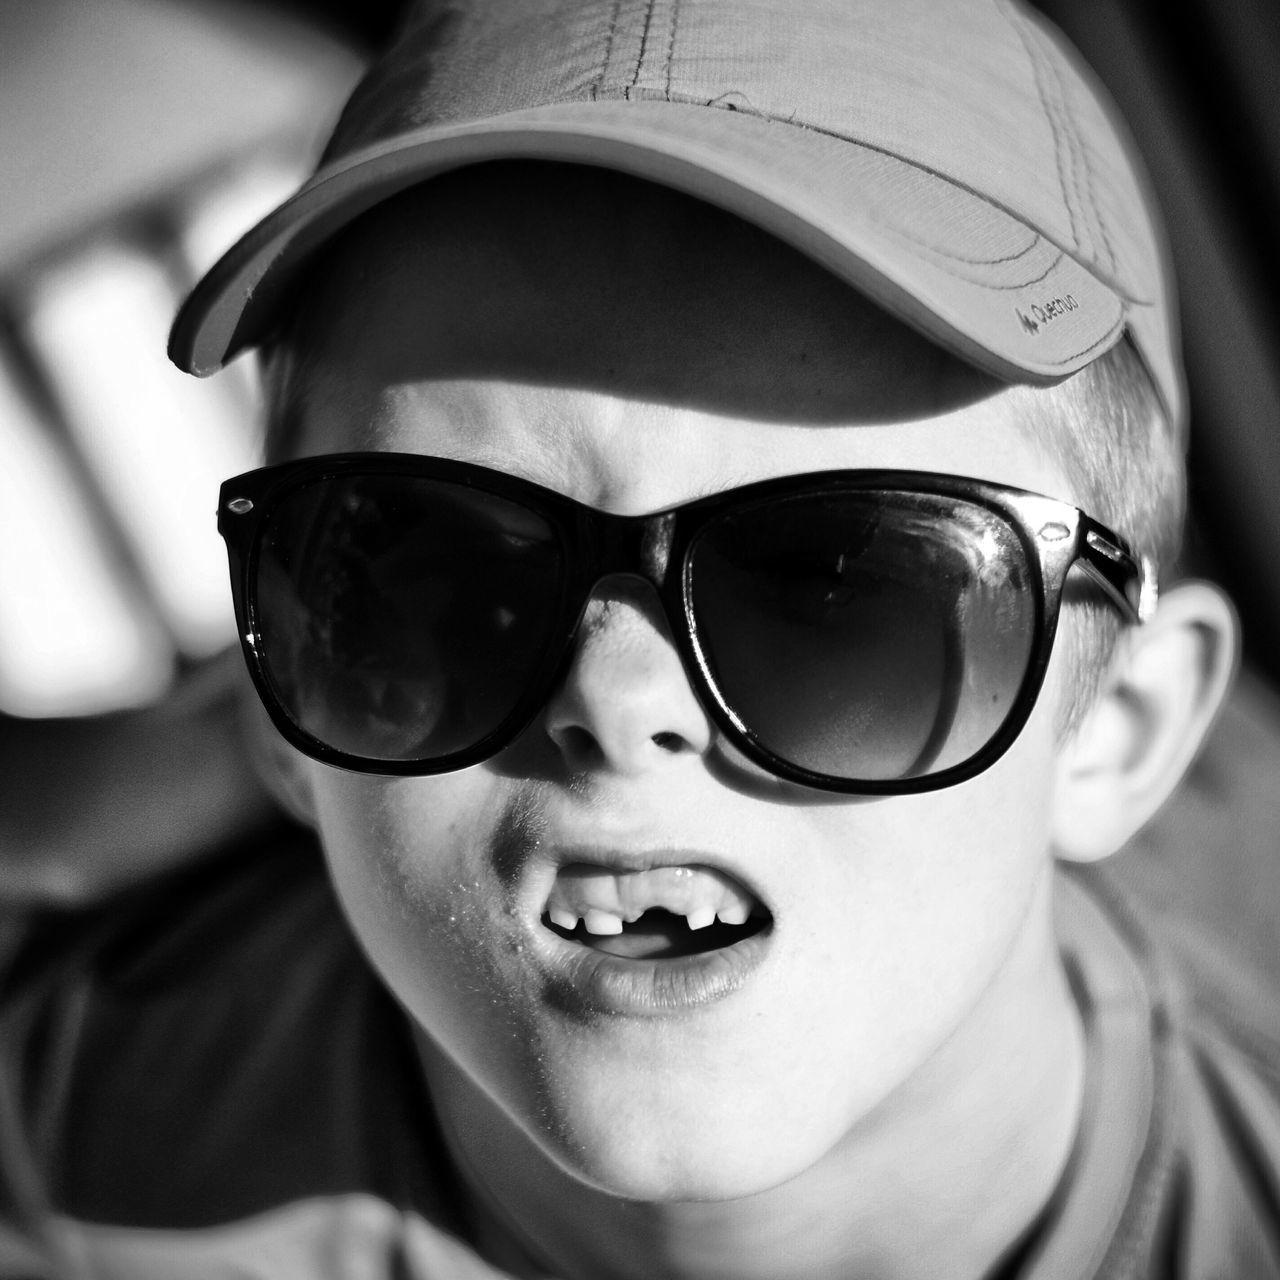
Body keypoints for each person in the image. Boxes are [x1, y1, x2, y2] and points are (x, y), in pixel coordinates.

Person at [2, 0, 1275, 1276]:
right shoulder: (71, 1150)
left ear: (1118, 730)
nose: (613, 693)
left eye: (838, 584)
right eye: (425, 572)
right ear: (275, 700)